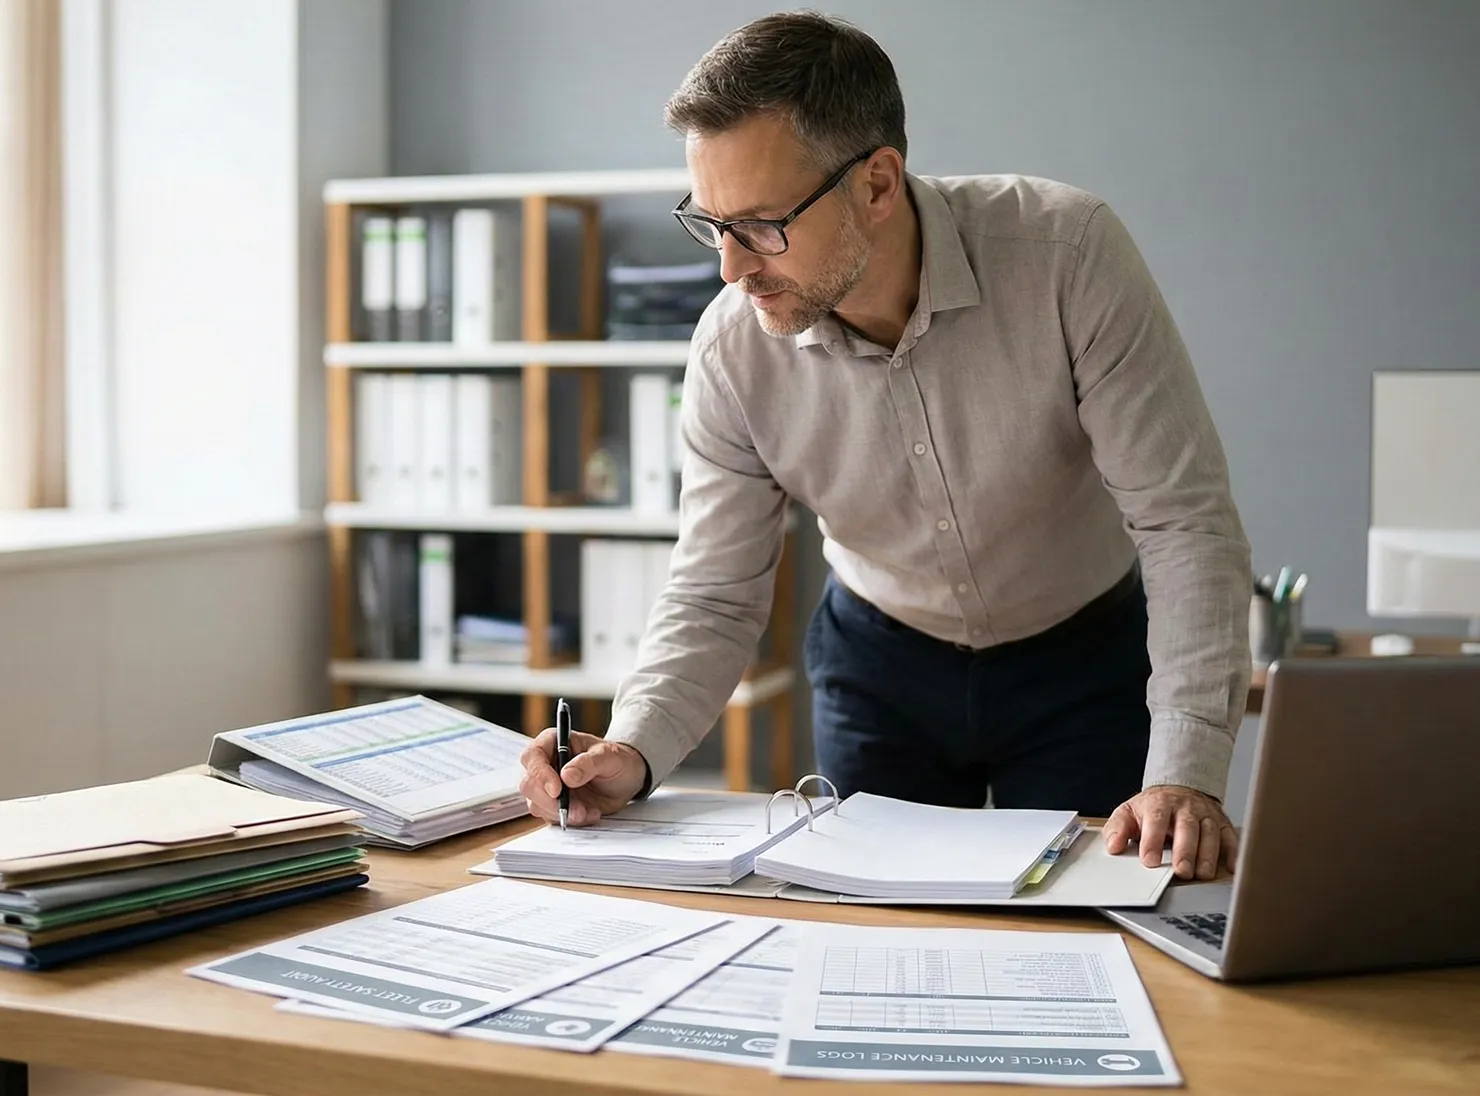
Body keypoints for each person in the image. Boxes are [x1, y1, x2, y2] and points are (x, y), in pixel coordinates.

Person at [520, 11, 1252, 882]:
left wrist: (1184, 773)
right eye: (709, 222)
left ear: (876, 183)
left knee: (1087, 926)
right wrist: (632, 750)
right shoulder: (731, 347)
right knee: (873, 940)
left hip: (1083, 662)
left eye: (758, 224)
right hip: (879, 667)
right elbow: (715, 591)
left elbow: (1183, 524)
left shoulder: (1067, 256)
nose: (729, 267)